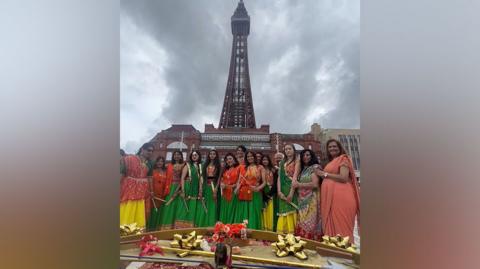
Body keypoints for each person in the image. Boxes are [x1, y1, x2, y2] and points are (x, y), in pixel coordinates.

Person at [317, 139, 360, 243]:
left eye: (334, 146)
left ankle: (346, 253)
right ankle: (335, 252)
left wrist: (324, 174)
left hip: (342, 197)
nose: (332, 148)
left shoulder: (343, 159)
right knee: (331, 223)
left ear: (340, 147)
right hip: (330, 198)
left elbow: (343, 177)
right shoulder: (331, 161)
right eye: (330, 147)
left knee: (342, 224)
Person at [120, 142, 154, 228]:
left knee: (139, 208)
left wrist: (151, 191)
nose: (150, 152)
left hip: (142, 190)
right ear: (142, 149)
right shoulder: (129, 159)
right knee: (128, 206)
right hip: (129, 188)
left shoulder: (150, 163)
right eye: (148, 150)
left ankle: (136, 230)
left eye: (152, 151)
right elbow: (122, 173)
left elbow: (149, 178)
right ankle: (124, 228)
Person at [292, 149, 322, 240]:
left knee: (310, 222)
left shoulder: (315, 167)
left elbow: (315, 184)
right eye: (303, 155)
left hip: (312, 199)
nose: (305, 157)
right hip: (302, 200)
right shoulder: (302, 169)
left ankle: (312, 241)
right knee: (302, 220)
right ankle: (303, 241)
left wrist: (299, 185)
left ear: (312, 156)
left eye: (308, 155)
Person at [234, 151, 265, 229]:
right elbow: (240, 180)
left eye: (251, 156)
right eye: (248, 157)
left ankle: (254, 230)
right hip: (244, 192)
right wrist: (237, 188)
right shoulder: (244, 167)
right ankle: (242, 230)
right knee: (243, 212)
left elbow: (264, 182)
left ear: (254, 157)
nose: (250, 158)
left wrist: (258, 188)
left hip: (255, 193)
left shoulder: (260, 167)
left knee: (254, 212)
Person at [175, 150, 203, 228]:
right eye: (193, 155)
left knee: (193, 207)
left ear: (199, 156)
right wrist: (183, 190)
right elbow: (182, 178)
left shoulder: (201, 166)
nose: (194, 156)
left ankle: (190, 226)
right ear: (191, 156)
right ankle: (180, 227)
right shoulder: (187, 165)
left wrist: (200, 190)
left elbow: (201, 178)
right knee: (184, 206)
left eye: (196, 155)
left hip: (196, 189)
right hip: (187, 188)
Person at [158, 151, 185, 230]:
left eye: (178, 155)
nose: (176, 156)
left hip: (179, 188)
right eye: (175, 155)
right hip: (169, 187)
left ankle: (176, 227)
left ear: (181, 156)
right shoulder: (168, 165)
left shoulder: (183, 165)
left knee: (177, 207)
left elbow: (183, 178)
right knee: (168, 206)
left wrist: (179, 189)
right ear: (173, 156)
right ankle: (166, 227)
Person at [276, 144, 299, 234]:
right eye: (286, 149)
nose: (288, 151)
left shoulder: (297, 161)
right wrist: (279, 191)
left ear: (294, 150)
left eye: (289, 148)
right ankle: (283, 233)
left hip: (292, 189)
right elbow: (279, 178)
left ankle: (292, 233)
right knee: (283, 211)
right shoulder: (282, 163)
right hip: (282, 189)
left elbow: (295, 178)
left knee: (291, 209)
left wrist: (291, 193)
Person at [197, 149, 221, 227]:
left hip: (213, 187)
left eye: (214, 154)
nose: (212, 155)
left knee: (213, 205)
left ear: (216, 155)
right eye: (210, 154)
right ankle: (202, 224)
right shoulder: (205, 165)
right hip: (205, 187)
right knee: (204, 204)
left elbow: (219, 179)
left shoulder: (218, 166)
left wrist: (216, 189)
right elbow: (201, 177)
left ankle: (211, 224)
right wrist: (200, 189)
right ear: (209, 155)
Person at [218, 153, 240, 224]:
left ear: (234, 159)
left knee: (232, 210)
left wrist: (230, 186)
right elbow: (221, 180)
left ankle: (231, 228)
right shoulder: (224, 170)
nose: (228, 161)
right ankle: (223, 228)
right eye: (227, 159)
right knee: (224, 211)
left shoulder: (238, 168)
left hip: (233, 193)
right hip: (224, 194)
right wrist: (222, 184)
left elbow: (239, 182)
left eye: (230, 159)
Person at [147, 156, 167, 231]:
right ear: (156, 162)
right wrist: (151, 192)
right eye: (158, 161)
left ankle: (156, 230)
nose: (160, 163)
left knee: (158, 213)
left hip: (161, 196)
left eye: (162, 161)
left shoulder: (165, 172)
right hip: (152, 195)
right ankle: (149, 229)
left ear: (163, 163)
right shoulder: (152, 171)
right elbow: (149, 181)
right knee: (151, 212)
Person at [261, 155, 278, 232]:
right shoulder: (260, 169)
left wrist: (271, 192)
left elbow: (275, 181)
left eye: (266, 160)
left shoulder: (273, 170)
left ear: (269, 161)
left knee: (271, 209)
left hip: (271, 191)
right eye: (263, 160)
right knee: (264, 210)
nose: (265, 161)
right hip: (263, 191)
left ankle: (270, 228)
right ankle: (264, 228)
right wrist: (264, 193)